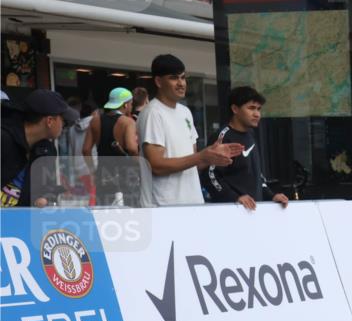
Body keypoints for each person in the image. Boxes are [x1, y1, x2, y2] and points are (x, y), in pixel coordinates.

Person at [137, 54, 243, 207]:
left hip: (192, 204)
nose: (181, 83)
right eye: (174, 78)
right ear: (159, 81)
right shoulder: (153, 113)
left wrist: (211, 157)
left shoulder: (185, 112)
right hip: (162, 208)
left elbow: (193, 163)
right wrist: (202, 156)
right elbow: (156, 166)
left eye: (183, 77)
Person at [203, 86, 289, 210]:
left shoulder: (251, 135)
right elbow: (210, 176)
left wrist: (272, 195)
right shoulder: (222, 137)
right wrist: (234, 197)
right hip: (231, 213)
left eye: (259, 109)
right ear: (235, 109)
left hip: (252, 212)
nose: (257, 114)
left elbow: (256, 176)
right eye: (251, 108)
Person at [1, 89, 78, 207]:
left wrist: (45, 197)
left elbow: (47, 187)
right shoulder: (4, 139)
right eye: (63, 120)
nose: (64, 125)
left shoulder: (48, 151)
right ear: (50, 121)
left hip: (20, 221)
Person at [83, 87, 138, 205]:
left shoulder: (94, 121)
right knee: (127, 213)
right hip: (125, 175)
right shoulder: (128, 122)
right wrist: (139, 164)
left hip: (103, 173)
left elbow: (86, 150)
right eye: (131, 103)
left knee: (103, 212)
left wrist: (92, 171)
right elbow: (132, 149)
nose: (131, 107)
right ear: (125, 105)